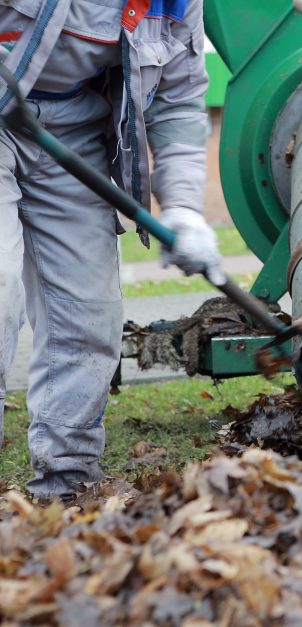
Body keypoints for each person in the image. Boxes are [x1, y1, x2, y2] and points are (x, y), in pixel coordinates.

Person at [0, 0, 221, 501]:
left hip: (73, 136)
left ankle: (67, 484)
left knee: (88, 315)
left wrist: (183, 208)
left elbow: (179, 98)